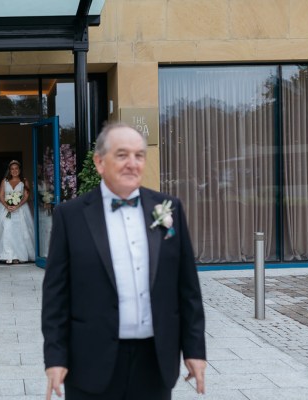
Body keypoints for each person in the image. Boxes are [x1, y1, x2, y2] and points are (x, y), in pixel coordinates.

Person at [41, 123, 206, 399]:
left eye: (139, 155)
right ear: (99, 162)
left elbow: (187, 288)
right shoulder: (69, 217)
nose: (132, 163)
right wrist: (55, 358)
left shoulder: (168, 208)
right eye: (122, 155)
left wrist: (194, 351)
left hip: (155, 362)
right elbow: (56, 295)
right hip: (90, 361)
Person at [0, 160, 35, 264]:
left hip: (20, 209)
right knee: (7, 229)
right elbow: (1, 195)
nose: (14, 171)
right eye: (12, 169)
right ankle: (8, 255)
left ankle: (18, 256)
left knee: (20, 231)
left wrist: (17, 205)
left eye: (16, 168)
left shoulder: (24, 181)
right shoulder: (5, 181)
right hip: (5, 209)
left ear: (19, 170)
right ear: (9, 170)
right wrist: (7, 205)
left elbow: (26, 195)